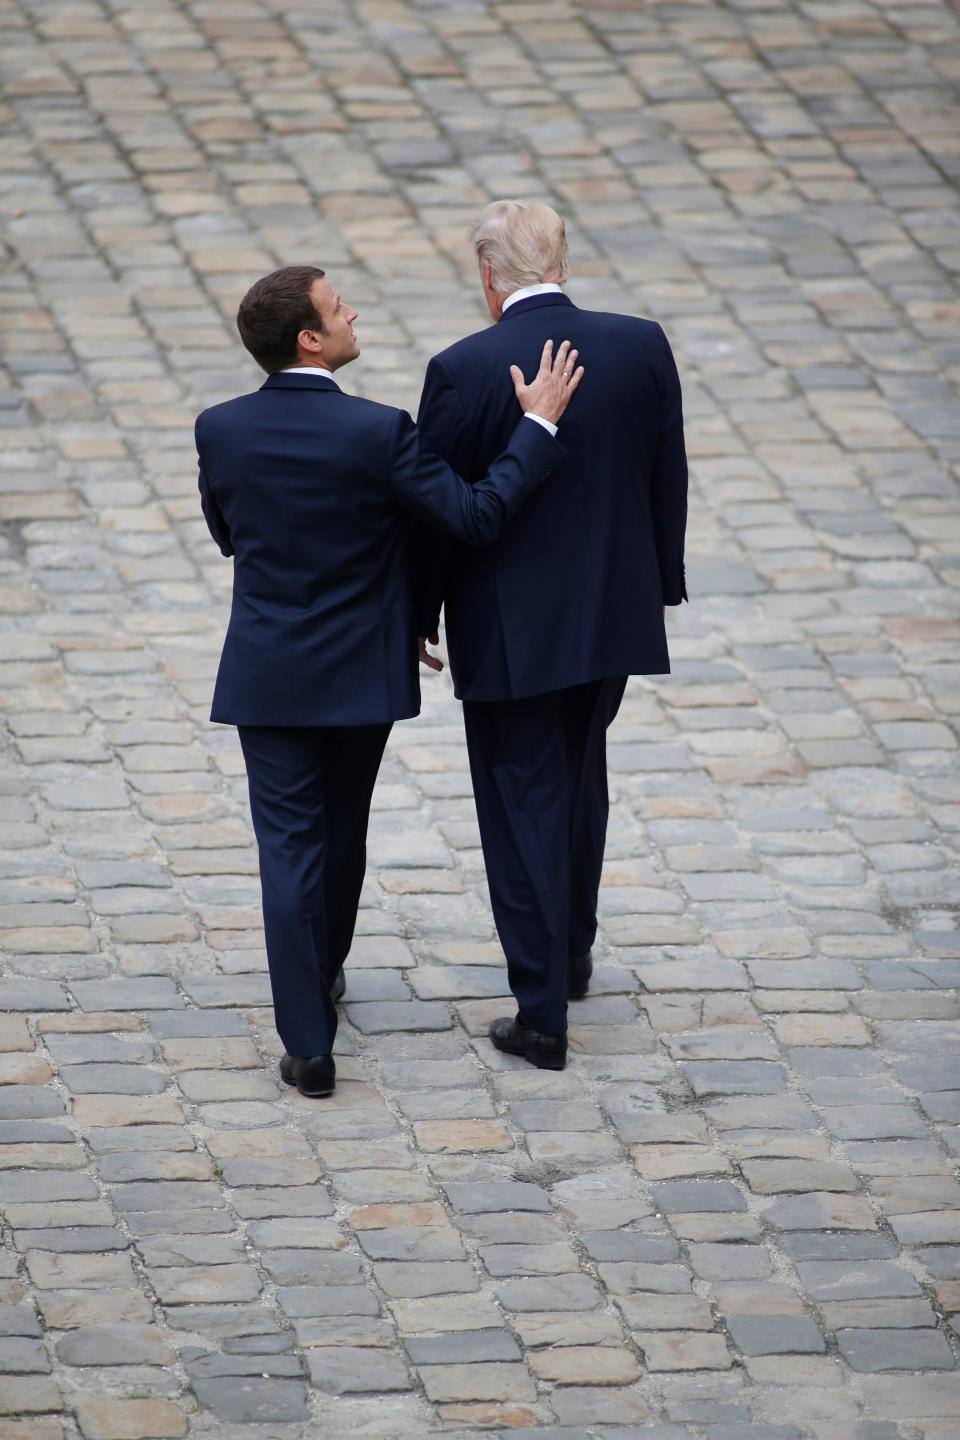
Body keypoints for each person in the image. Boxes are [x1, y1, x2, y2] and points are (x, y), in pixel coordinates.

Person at [196, 264, 583, 1098]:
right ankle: (323, 973)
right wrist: (537, 430)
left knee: (289, 847)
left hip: (267, 673)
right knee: (341, 832)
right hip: (361, 675)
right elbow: (477, 515)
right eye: (338, 308)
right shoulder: (377, 432)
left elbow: (230, 533)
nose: (352, 313)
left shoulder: (219, 428)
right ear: (309, 338)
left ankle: (309, 1041)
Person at [414, 200, 688, 1072]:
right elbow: (665, 475)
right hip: (613, 617)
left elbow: (438, 512)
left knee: (520, 802)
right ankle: (570, 952)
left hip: (511, 634)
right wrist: (661, 587)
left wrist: (418, 611)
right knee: (579, 775)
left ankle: (541, 1017)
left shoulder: (463, 368)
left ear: (491, 278)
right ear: (561, 258)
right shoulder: (642, 344)